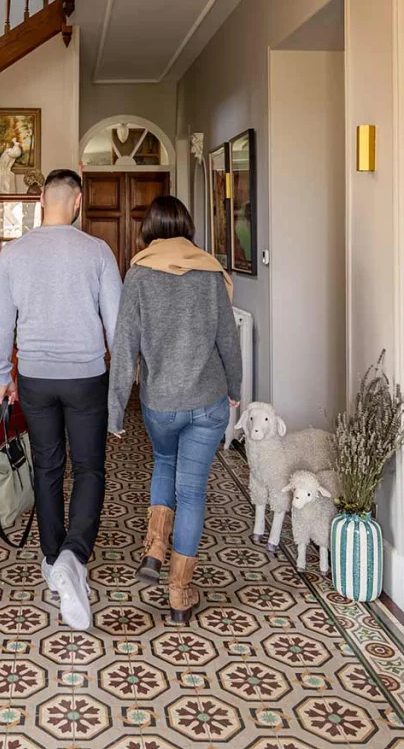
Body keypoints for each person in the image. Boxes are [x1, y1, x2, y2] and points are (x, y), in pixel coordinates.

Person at [0, 168, 123, 630]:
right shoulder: (97, 251)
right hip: (86, 376)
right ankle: (73, 555)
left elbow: (1, 323)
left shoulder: (13, 253)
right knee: (89, 468)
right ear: (79, 201)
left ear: (42, 200)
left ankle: (52, 557)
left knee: (47, 465)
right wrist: (122, 387)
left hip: (34, 377)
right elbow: (118, 325)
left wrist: (2, 375)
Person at [108, 195, 242, 625]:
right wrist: (235, 389)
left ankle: (153, 549)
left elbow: (124, 349)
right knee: (193, 493)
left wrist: (115, 413)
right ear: (187, 227)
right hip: (207, 400)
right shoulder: (210, 272)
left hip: (160, 402)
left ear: (148, 230)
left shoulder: (139, 275)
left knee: (164, 461)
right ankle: (180, 594)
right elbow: (229, 340)